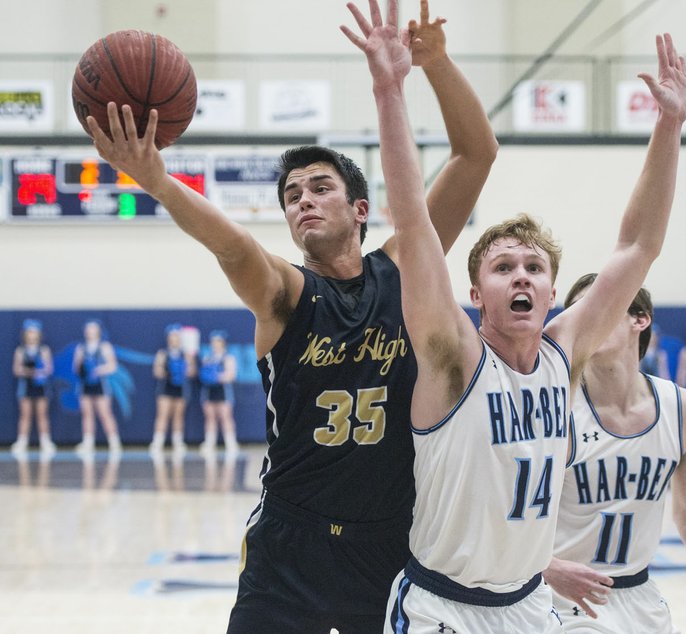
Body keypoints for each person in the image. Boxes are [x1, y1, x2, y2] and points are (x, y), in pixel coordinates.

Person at [85, 0, 498, 629]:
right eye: (291, 195)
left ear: (362, 209)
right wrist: (159, 182)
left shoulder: (409, 269)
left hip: (389, 540)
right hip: (289, 541)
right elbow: (230, 243)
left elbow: (476, 154)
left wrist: (436, 65)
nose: (303, 200)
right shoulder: (285, 292)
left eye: (320, 187)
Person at [342, 1, 686, 630]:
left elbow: (638, 246)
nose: (521, 275)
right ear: (476, 294)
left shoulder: (565, 352)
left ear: (555, 291)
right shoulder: (454, 355)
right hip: (442, 607)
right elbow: (414, 227)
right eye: (503, 268)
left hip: (530, 607)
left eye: (534, 267)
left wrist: (669, 126)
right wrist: (390, 91)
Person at [543, 275, 686, 633]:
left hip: (641, 597)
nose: (588, 318)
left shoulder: (685, 411)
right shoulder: (556, 409)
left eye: (601, 304)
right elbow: (503, 516)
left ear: (640, 319)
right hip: (561, 598)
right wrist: (545, 566)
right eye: (578, 311)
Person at [73, 318, 123, 458]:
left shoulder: (105, 347)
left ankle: (114, 442)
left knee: (105, 413)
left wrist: (98, 370)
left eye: (93, 329)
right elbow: (76, 369)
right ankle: (88, 442)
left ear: (99, 331)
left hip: (100, 384)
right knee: (87, 414)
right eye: (88, 329)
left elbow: (113, 366)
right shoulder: (81, 348)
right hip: (85, 385)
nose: (90, 332)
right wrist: (81, 365)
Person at [11, 319, 56, 459]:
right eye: (29, 332)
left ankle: (45, 441)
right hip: (26, 386)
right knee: (25, 415)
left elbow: (49, 369)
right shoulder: (20, 351)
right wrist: (30, 372)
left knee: (42, 414)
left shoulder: (43, 350)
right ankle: (22, 441)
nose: (32, 335)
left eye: (34, 332)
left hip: (40, 386)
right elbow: (17, 370)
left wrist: (40, 372)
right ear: (25, 334)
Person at [149, 323, 196, 458]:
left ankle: (178, 442)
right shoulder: (163, 354)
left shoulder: (186, 354)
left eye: (177, 336)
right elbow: (156, 371)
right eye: (172, 336)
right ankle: (158, 442)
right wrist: (167, 372)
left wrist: (183, 371)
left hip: (180, 388)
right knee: (162, 415)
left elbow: (192, 371)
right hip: (165, 387)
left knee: (178, 415)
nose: (174, 339)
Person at [198, 330, 239, 458]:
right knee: (210, 417)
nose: (216, 344)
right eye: (214, 342)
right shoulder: (207, 357)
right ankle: (210, 443)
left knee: (225, 416)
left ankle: (231, 444)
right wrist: (206, 375)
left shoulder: (228, 357)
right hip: (209, 391)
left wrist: (216, 376)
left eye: (219, 341)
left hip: (223, 391)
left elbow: (231, 375)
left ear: (223, 343)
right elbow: (202, 374)